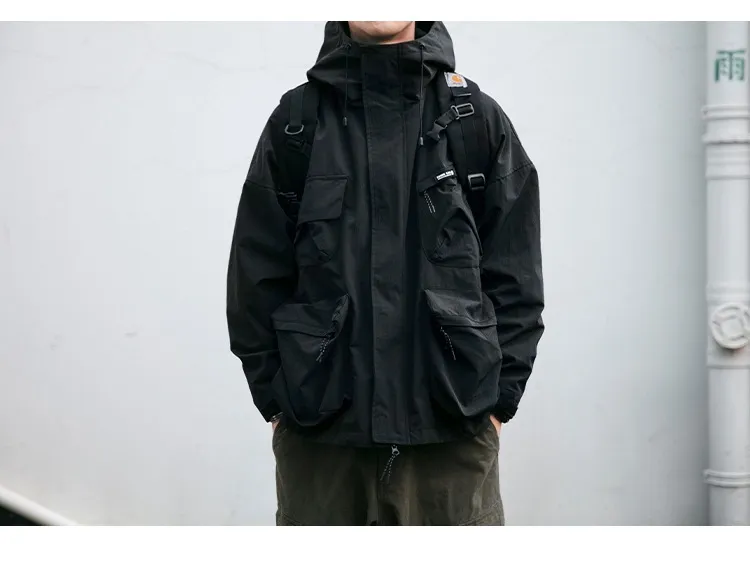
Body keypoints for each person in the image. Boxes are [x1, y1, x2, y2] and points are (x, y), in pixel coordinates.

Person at [227, 21, 544, 526]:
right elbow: (256, 276)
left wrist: (498, 403)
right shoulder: (296, 124)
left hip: (452, 443)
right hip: (322, 447)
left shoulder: (474, 121)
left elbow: (516, 278)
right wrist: (276, 403)